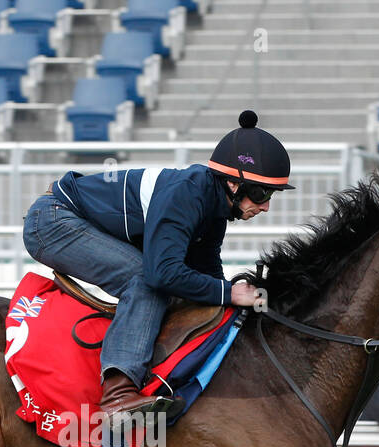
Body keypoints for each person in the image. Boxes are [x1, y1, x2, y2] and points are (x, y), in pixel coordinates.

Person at [21, 110, 293, 425]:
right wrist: (229, 292)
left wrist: (237, 305)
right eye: (261, 193)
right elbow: (161, 274)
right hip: (52, 221)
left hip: (69, 217)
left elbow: (206, 278)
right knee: (145, 279)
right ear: (233, 183)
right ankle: (118, 395)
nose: (266, 206)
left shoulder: (213, 209)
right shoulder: (187, 194)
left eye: (271, 195)